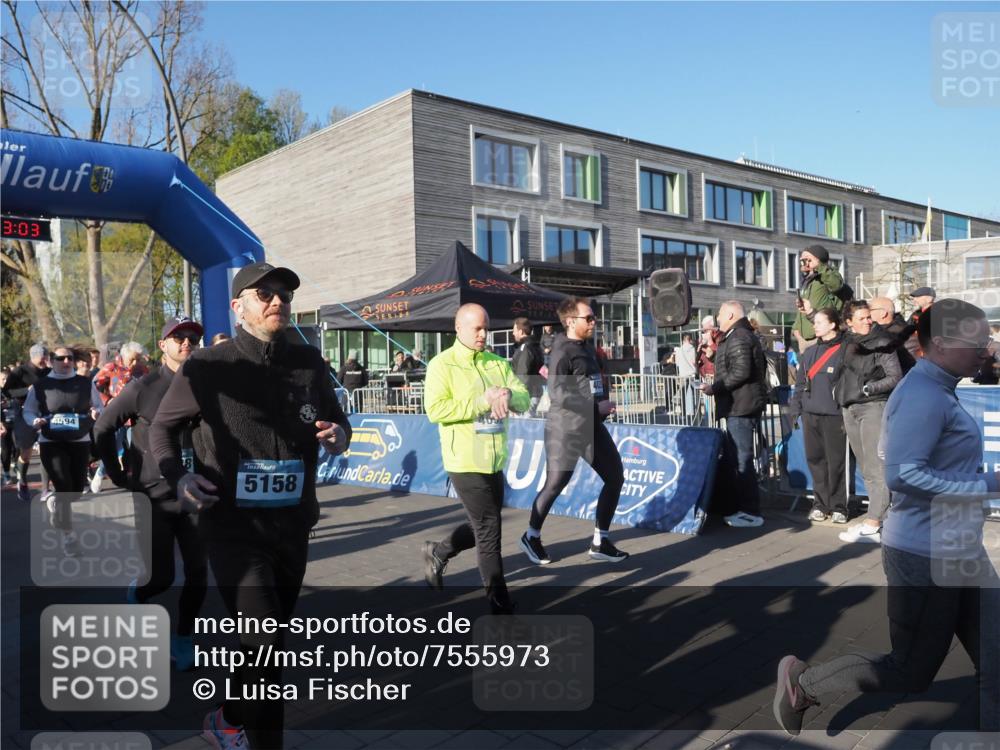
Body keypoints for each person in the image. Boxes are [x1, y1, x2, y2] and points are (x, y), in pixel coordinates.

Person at [149, 261, 351, 750]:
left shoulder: (309, 362)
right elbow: (162, 430)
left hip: (293, 523)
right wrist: (180, 476)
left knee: (268, 645)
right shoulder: (208, 367)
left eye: (283, 293)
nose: (277, 300)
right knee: (265, 643)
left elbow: (338, 424)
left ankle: (229, 716)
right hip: (232, 528)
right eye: (264, 294)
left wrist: (338, 436)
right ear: (238, 308)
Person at [774, 299, 999, 736]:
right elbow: (904, 474)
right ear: (940, 343)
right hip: (926, 552)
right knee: (911, 671)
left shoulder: (939, 389)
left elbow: (944, 468)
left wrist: (988, 479)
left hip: (957, 547)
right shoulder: (922, 395)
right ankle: (804, 684)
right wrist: (982, 488)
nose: (986, 349)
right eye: (977, 341)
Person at [94, 317, 208, 672]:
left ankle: (183, 637)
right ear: (163, 345)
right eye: (178, 337)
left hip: (196, 495)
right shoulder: (143, 388)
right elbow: (103, 427)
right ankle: (137, 593)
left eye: (192, 337)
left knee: (198, 574)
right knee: (161, 578)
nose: (186, 342)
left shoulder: (207, 386)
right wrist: (116, 474)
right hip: (153, 494)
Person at [422, 303, 529, 613]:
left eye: (486, 328)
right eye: (477, 329)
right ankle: (500, 605)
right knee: (489, 531)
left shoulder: (498, 363)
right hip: (463, 460)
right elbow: (436, 410)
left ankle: (438, 551)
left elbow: (523, 395)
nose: (483, 334)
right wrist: (481, 402)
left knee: (482, 524)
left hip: (494, 460)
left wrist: (510, 396)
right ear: (459, 329)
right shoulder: (442, 365)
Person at [519, 296, 628, 565]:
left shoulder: (586, 347)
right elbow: (557, 394)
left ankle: (600, 541)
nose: (594, 321)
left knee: (615, 477)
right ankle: (531, 536)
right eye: (588, 318)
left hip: (590, 426)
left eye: (593, 317)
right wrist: (596, 407)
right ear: (570, 321)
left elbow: (588, 383)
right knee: (556, 484)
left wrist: (600, 403)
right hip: (564, 429)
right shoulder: (561, 350)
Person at [22, 345, 103, 556]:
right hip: (51, 441)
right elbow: (28, 411)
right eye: (61, 358)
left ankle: (53, 500)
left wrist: (95, 412)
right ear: (51, 360)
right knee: (64, 487)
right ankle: (69, 537)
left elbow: (98, 406)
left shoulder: (85, 383)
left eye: (69, 358)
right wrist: (35, 421)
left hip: (80, 439)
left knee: (76, 489)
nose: (66, 362)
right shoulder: (40, 386)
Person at [834, 300, 902, 544]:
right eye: (861, 318)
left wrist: (869, 388)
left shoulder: (883, 342)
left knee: (876, 467)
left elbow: (896, 377)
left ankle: (875, 522)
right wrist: (837, 394)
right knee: (866, 468)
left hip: (873, 407)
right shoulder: (847, 342)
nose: (867, 321)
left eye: (868, 317)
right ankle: (879, 519)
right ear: (849, 322)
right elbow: (841, 373)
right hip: (849, 408)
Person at [700, 301, 768, 528]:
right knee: (738, 458)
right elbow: (735, 367)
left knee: (743, 459)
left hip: (741, 406)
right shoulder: (737, 335)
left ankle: (750, 510)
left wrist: (714, 388)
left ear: (730, 314)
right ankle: (743, 507)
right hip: (739, 404)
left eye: (719, 314)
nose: (718, 318)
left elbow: (741, 371)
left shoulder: (738, 335)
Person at [789, 308, 848, 523]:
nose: (815, 325)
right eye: (815, 322)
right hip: (810, 414)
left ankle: (840, 506)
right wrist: (796, 409)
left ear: (833, 324)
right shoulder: (810, 352)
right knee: (816, 461)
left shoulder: (846, 349)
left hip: (834, 414)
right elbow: (800, 384)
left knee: (836, 462)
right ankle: (820, 504)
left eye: (820, 322)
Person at [92, 341, 149, 492]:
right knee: (114, 446)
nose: (135, 362)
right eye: (132, 359)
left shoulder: (143, 369)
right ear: (124, 356)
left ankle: (133, 477)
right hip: (115, 415)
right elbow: (96, 385)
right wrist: (106, 400)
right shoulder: (111, 367)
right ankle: (101, 472)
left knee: (133, 448)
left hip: (135, 416)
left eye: (138, 358)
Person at [5, 344, 51, 502]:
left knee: (46, 450)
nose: (45, 360)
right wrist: (27, 390)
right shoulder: (20, 371)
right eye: (43, 357)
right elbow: (6, 392)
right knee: (26, 453)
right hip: (24, 412)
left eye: (47, 356)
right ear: (34, 356)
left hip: (45, 412)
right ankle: (22, 480)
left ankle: (45, 490)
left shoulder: (48, 371)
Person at [792, 245, 846, 353]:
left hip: (820, 337)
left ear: (817, 259)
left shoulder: (828, 275)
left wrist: (819, 267)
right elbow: (803, 312)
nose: (802, 261)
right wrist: (796, 331)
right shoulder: (808, 281)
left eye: (806, 259)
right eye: (801, 259)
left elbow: (836, 285)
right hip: (803, 340)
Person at [868, 296, 916, 375]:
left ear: (883, 313)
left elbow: (908, 366)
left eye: (870, 310)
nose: (867, 313)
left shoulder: (902, 334)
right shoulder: (875, 330)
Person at [510, 317, 544, 417]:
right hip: (534, 391)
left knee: (522, 428)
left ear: (521, 332)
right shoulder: (534, 346)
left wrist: (517, 395)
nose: (513, 333)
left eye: (514, 330)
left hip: (527, 394)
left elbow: (522, 375)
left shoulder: (525, 348)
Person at [903, 286, 935, 361]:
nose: (914, 299)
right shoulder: (915, 314)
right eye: (914, 297)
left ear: (929, 299)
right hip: (916, 355)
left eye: (918, 297)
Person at [1, 368, 16, 486]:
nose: (5, 381)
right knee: (6, 450)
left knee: (18, 448)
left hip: (16, 423)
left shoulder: (15, 392)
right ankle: (6, 473)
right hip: (3, 425)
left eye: (7, 379)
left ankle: (17, 464)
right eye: (2, 379)